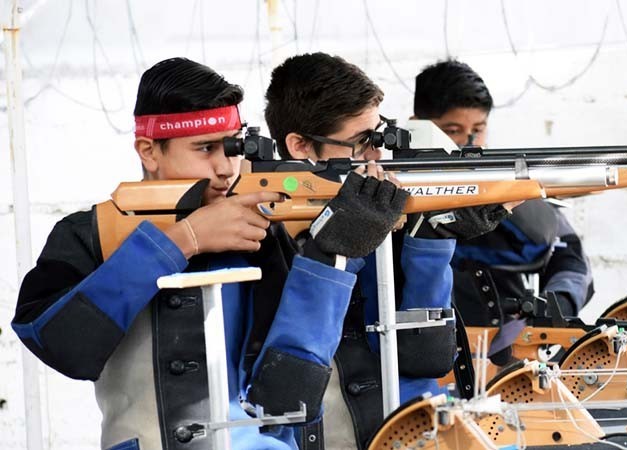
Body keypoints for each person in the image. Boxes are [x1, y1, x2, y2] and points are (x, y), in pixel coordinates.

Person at [12, 57, 409, 450]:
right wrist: (181, 241)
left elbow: (290, 390)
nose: (225, 167)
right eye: (205, 148)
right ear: (149, 151)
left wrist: (330, 257)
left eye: (233, 147)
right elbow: (60, 346)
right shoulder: (91, 233)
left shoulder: (262, 233)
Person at [263, 52, 508, 450]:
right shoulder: (262, 240)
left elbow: (425, 358)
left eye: (378, 138)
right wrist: (338, 251)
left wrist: (431, 238)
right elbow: (285, 391)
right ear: (300, 146)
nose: (377, 156)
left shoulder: (382, 213)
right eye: (361, 143)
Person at [412, 60, 595, 332]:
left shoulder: (508, 187)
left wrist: (556, 305)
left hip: (511, 345)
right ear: (417, 126)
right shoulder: (397, 193)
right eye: (452, 131)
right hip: (421, 347)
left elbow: (570, 257)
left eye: (477, 130)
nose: (468, 143)